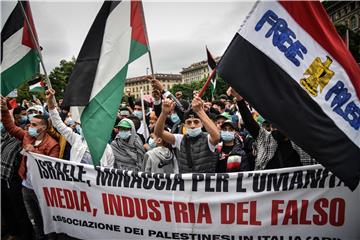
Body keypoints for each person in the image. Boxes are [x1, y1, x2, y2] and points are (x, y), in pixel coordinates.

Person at [1, 96, 60, 240]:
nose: (29, 127)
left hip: (42, 189)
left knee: (46, 219)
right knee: (34, 219)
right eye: (30, 123)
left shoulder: (52, 144)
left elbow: (51, 167)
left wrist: (35, 152)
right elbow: (11, 127)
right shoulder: (27, 136)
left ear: (44, 127)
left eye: (34, 125)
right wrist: (4, 109)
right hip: (26, 186)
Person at [228, 87, 315, 170]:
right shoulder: (266, 139)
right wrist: (239, 99)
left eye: (279, 126)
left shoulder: (301, 144)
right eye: (273, 126)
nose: (275, 129)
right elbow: (249, 123)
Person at [46, 89, 114, 166]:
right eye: (84, 125)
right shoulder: (76, 139)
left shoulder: (107, 149)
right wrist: (49, 101)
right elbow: (57, 123)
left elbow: (109, 173)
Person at [154, 97, 220, 173]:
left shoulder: (208, 139)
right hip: (186, 183)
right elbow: (159, 133)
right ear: (184, 125)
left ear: (202, 124)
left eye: (196, 122)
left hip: (205, 183)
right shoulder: (179, 139)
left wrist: (200, 111)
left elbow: (216, 137)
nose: (192, 125)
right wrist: (164, 113)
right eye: (189, 122)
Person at [1, 121, 34, 240]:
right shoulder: (8, 139)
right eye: (27, 126)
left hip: (14, 179)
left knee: (19, 209)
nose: (28, 128)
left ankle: (25, 234)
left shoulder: (27, 141)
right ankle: (13, 231)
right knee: (6, 207)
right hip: (3, 178)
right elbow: (8, 125)